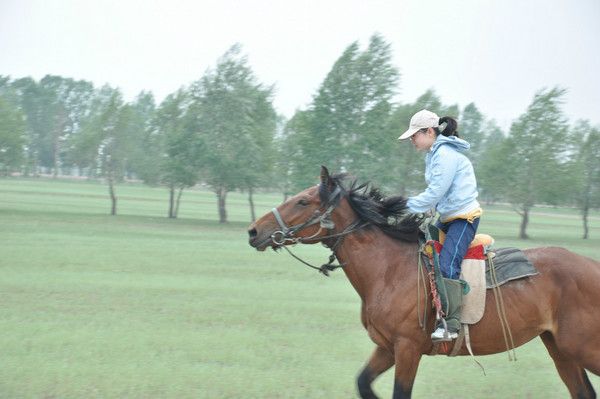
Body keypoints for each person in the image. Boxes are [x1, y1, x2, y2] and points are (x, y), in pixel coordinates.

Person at [398, 109, 482, 341]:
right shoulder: (434, 154)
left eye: (415, 135)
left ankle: (450, 325)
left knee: (446, 265)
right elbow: (438, 195)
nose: (413, 140)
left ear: (430, 131)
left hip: (464, 219)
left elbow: (436, 191)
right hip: (446, 217)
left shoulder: (445, 155)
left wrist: (406, 205)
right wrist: (425, 208)